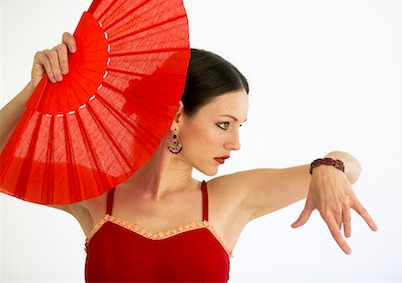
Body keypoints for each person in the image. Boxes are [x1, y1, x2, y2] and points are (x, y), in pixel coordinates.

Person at [0, 32, 378, 282]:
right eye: (225, 124)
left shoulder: (230, 197)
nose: (236, 144)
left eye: (239, 126)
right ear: (177, 115)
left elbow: (352, 167)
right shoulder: (99, 192)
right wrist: (33, 92)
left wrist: (328, 167)